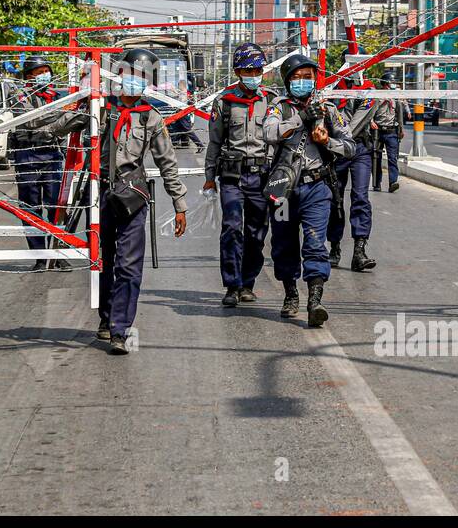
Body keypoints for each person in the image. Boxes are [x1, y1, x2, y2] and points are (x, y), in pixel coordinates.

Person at [45, 48, 187, 354]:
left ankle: (121, 329)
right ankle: (107, 318)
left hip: (132, 196)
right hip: (99, 194)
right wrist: (40, 127)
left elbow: (167, 163)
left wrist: (179, 204)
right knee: (102, 260)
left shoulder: (151, 118)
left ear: (148, 82)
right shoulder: (100, 108)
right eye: (128, 75)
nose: (132, 81)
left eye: (140, 77)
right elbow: (62, 124)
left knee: (129, 265)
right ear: (117, 75)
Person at [264, 55, 353, 325]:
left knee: (316, 244)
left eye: (308, 77)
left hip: (316, 187)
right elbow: (268, 133)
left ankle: (315, 301)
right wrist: (301, 120)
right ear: (288, 80)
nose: (303, 82)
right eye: (297, 77)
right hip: (283, 191)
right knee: (283, 244)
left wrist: (328, 143)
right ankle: (291, 293)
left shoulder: (328, 110)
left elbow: (350, 147)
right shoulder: (278, 108)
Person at [203, 43, 273, 307]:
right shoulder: (224, 102)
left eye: (257, 70)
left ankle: (247, 283)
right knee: (232, 227)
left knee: (256, 232)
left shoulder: (270, 101)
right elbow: (215, 142)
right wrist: (210, 176)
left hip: (262, 176)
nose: (253, 74)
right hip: (232, 176)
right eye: (247, 70)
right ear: (237, 71)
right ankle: (232, 285)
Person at [8, 56, 71, 272]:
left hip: (52, 154)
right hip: (27, 155)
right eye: (40, 71)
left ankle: (58, 253)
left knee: (58, 206)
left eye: (47, 71)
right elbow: (29, 121)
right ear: (29, 76)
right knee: (31, 207)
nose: (45, 75)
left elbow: (63, 126)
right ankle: (40, 256)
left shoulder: (54, 96)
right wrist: (59, 112)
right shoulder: (18, 95)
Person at [326, 76, 378, 272]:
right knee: (334, 199)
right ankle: (334, 246)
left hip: (358, 149)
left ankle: (359, 250)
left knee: (361, 197)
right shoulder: (330, 87)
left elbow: (356, 123)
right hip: (335, 152)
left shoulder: (368, 90)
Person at [371, 75, 405, 193]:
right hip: (377, 131)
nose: (392, 86)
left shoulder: (395, 98)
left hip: (391, 132)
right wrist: (371, 122)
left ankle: (393, 182)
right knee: (376, 158)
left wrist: (401, 129)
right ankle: (376, 183)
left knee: (392, 158)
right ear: (385, 84)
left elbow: (399, 113)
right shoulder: (377, 96)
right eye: (390, 84)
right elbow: (369, 111)